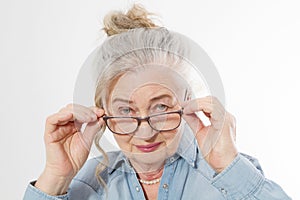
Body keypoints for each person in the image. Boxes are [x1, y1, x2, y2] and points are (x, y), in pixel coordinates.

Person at [23, 4, 291, 200]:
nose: (145, 132)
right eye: (126, 110)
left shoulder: (231, 175)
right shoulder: (88, 184)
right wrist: (56, 178)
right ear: (102, 112)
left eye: (161, 108)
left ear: (188, 103)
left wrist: (228, 165)